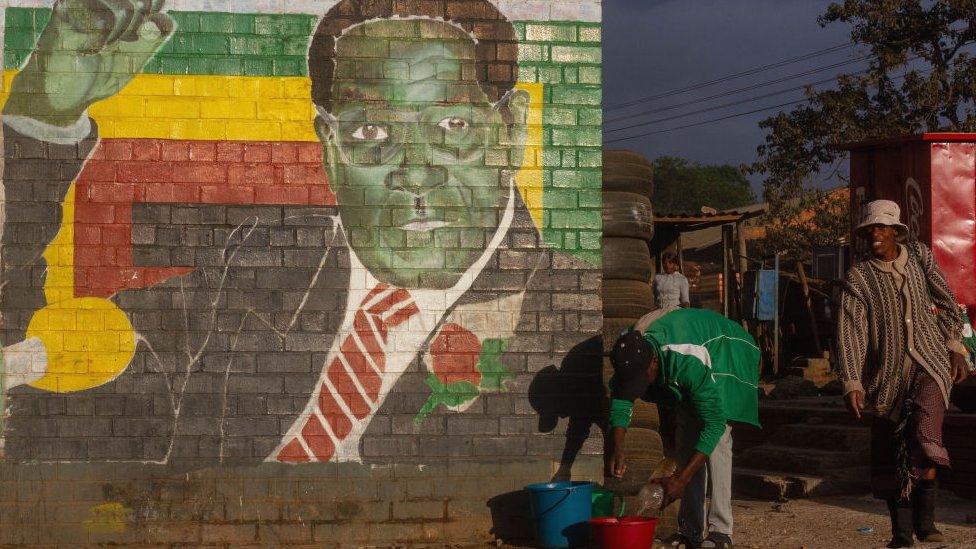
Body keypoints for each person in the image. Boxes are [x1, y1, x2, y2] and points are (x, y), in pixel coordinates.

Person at [0, 0, 598, 464]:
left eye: (451, 123)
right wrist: (39, 124)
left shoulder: (573, 312)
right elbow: (27, 377)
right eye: (370, 134)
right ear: (331, 152)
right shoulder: (258, 267)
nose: (417, 168)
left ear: (511, 131)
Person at [837, 199, 971, 547]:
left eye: (882, 228)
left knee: (924, 436)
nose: (875, 234)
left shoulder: (920, 258)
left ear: (896, 232)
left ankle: (925, 523)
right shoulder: (859, 277)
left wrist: (956, 347)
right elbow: (852, 331)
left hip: (930, 364)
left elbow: (946, 300)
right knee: (890, 450)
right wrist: (852, 381)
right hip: (886, 376)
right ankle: (902, 532)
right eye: (870, 230)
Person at [608, 307, 760, 549]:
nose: (642, 385)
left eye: (644, 377)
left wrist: (681, 479)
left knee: (719, 438)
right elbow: (620, 399)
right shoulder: (628, 351)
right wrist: (618, 447)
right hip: (695, 353)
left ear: (655, 361)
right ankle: (690, 531)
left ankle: (721, 532)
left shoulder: (686, 358)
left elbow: (713, 424)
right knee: (686, 435)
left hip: (726, 350)